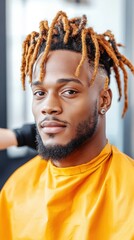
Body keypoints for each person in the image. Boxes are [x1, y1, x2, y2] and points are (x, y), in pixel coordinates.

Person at [0, 10, 134, 239]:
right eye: (39, 92)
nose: (48, 106)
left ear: (104, 100)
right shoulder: (15, 190)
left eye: (69, 91)